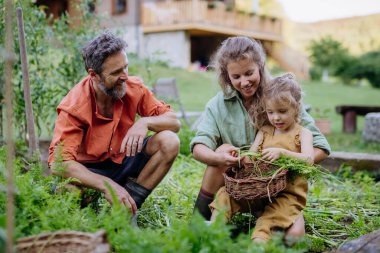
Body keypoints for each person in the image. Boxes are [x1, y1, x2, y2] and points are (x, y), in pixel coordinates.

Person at [190, 36, 330, 223]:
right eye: (236, 77)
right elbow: (199, 146)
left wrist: (284, 160)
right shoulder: (218, 105)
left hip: (279, 183)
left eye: (249, 73)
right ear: (227, 76)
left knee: (292, 237)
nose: (244, 82)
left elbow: (320, 147)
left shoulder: (280, 96)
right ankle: (199, 219)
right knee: (223, 151)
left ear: (260, 67)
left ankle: (266, 216)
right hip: (239, 182)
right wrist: (219, 158)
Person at [48, 31, 181, 216]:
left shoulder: (134, 88)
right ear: (94, 75)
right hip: (90, 170)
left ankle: (128, 211)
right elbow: (59, 163)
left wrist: (145, 122)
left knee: (169, 141)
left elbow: (174, 122)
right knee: (65, 191)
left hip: (123, 159)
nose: (125, 76)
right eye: (116, 72)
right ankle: (90, 216)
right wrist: (106, 185)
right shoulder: (74, 107)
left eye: (125, 67)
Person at [209, 72, 314, 242]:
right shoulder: (265, 131)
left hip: (287, 195)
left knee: (268, 222)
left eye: (282, 111)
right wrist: (241, 158)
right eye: (271, 112)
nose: (276, 117)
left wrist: (283, 153)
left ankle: (258, 244)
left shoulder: (303, 133)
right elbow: (252, 158)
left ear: (296, 107)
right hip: (259, 192)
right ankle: (213, 233)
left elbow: (309, 161)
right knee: (225, 195)